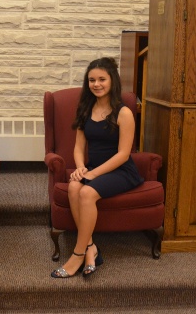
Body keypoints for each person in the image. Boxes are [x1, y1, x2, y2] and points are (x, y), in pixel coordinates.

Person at [51, 57, 144, 279]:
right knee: (74, 186)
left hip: (121, 171)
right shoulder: (85, 109)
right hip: (93, 168)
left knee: (87, 192)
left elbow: (123, 154)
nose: (96, 84)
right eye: (92, 80)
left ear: (112, 81)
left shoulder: (123, 113)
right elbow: (78, 147)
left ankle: (78, 254)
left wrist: (92, 173)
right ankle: (91, 248)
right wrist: (81, 168)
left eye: (102, 79)